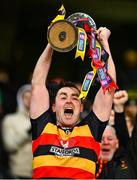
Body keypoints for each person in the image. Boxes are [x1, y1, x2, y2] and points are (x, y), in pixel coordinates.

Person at [30, 27, 116, 179]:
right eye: (63, 97)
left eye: (75, 97)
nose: (69, 100)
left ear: (81, 107)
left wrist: (105, 43)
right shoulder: (42, 126)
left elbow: (108, 91)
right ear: (54, 107)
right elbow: (37, 84)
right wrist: (52, 41)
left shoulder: (91, 130)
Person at [2, 84, 33, 179]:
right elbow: (9, 146)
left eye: (32, 96)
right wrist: (28, 132)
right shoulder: (10, 120)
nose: (29, 100)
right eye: (26, 97)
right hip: (19, 172)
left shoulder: (42, 119)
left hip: (39, 171)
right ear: (20, 99)